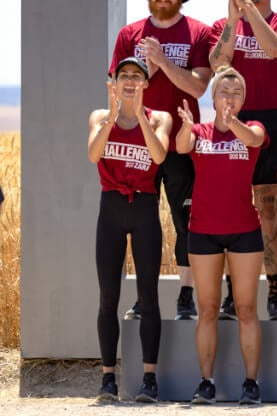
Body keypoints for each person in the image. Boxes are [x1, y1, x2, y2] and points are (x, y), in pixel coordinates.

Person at [111, 0, 213, 320]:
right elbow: (118, 89)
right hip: (141, 141)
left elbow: (198, 87)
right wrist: (147, 69)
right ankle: (145, 298)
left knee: (187, 219)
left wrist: (162, 60)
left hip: (184, 144)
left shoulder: (199, 33)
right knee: (143, 222)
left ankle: (186, 295)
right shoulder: (130, 34)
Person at [209, 0, 277, 321]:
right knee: (233, 211)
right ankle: (232, 295)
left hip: (269, 121)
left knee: (267, 211)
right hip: (232, 120)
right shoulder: (224, 25)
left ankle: (274, 293)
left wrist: (250, 11)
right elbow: (218, 64)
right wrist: (234, 19)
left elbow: (275, 49)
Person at [175, 68, 268, 405]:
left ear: (243, 99)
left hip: (244, 230)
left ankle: (250, 383)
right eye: (223, 92)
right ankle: (206, 382)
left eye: (236, 93)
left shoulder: (253, 128)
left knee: (245, 308)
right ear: (212, 98)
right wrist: (187, 128)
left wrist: (232, 121)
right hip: (203, 231)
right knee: (208, 309)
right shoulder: (200, 131)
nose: (229, 98)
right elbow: (183, 145)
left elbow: (254, 140)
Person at [88, 57, 172, 402]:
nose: (130, 81)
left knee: (148, 296)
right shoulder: (98, 116)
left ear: (146, 84)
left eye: (137, 77)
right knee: (108, 297)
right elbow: (94, 154)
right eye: (123, 76)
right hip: (111, 208)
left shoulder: (159, 118)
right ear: (114, 82)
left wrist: (139, 115)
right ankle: (108, 377)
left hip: (144, 208)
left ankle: (149, 379)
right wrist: (112, 116)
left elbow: (159, 155)